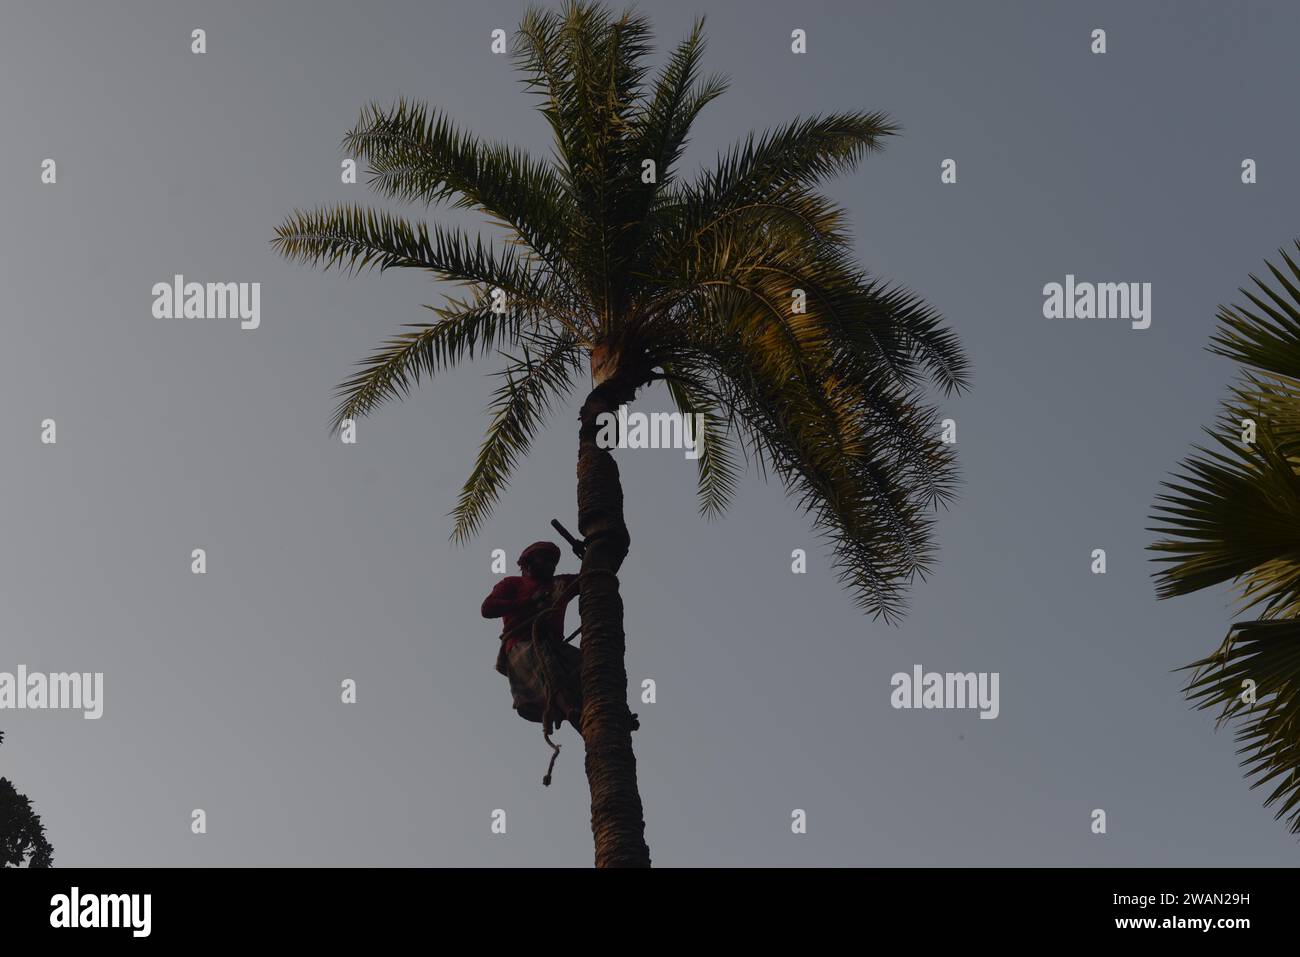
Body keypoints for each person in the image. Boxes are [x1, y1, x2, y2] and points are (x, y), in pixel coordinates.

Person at [481, 541, 583, 734]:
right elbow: (487, 608)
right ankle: (569, 709)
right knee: (546, 663)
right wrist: (528, 601)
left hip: (555, 646)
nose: (550, 565)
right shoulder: (512, 584)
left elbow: (593, 574)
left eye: (553, 562)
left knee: (589, 666)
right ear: (527, 563)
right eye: (544, 560)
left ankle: (607, 712)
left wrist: (587, 557)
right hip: (522, 644)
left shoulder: (559, 584)